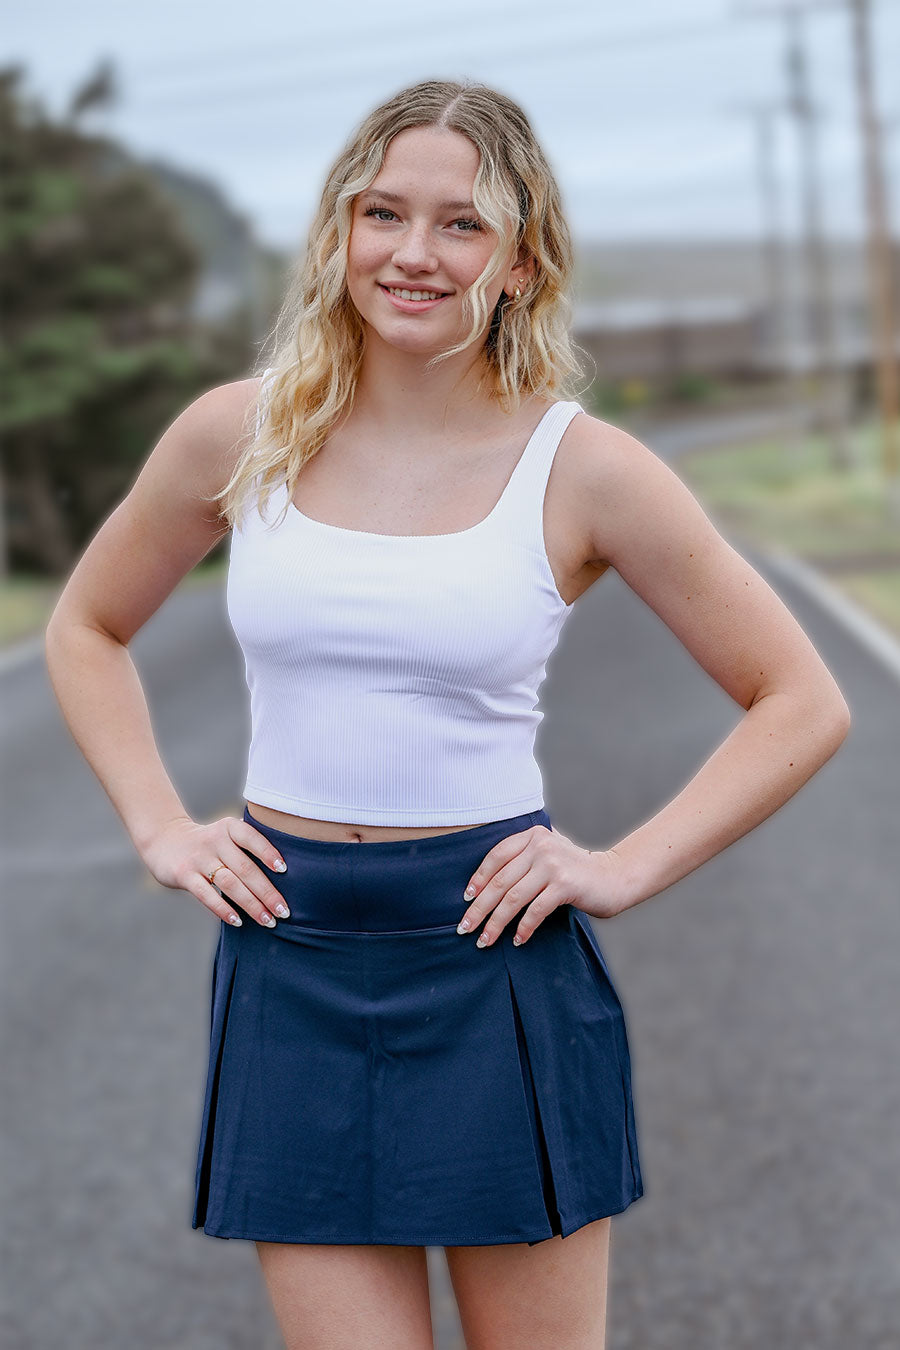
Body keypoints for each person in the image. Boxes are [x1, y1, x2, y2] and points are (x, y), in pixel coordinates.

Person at [44, 77, 850, 1350]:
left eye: (462, 225)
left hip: (494, 964)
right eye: (382, 214)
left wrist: (625, 865)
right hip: (288, 952)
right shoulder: (236, 438)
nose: (414, 254)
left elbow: (799, 698)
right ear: (338, 236)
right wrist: (159, 825)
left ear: (522, 262)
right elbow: (84, 629)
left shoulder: (584, 467)